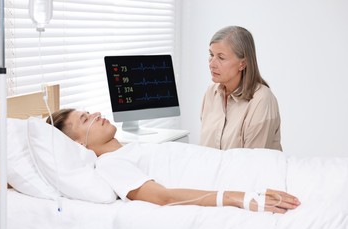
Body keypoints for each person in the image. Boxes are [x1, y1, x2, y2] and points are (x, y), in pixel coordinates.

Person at [47, 108, 300, 214]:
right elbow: (162, 197)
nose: (96, 114)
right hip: (240, 181)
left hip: (250, 165)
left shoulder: (129, 149)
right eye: (85, 119)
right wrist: (242, 198)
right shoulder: (110, 165)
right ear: (78, 145)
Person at [200, 26, 282, 150]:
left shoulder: (262, 100)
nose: (211, 64)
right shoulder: (211, 93)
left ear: (242, 63)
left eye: (221, 58)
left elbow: (252, 162)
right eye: (211, 55)